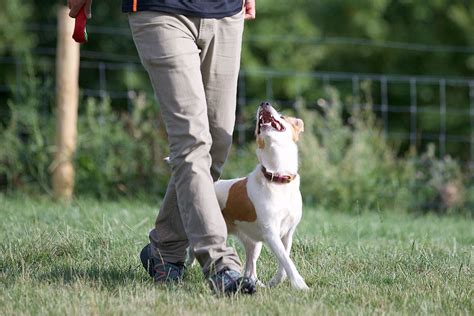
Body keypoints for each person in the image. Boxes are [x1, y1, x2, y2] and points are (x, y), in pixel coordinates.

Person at [68, 0, 256, 295]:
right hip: (160, 10)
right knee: (192, 141)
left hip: (225, 11)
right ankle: (220, 263)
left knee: (217, 143)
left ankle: (165, 248)